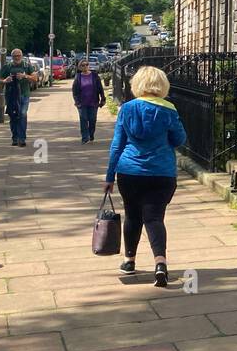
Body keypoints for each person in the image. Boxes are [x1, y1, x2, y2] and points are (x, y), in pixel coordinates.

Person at [104, 65, 186, 287]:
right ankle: (160, 263)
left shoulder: (127, 109)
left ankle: (129, 260)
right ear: (161, 85)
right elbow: (180, 139)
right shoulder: (169, 109)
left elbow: (117, 145)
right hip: (161, 172)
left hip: (129, 171)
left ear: (137, 84)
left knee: (132, 216)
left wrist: (110, 176)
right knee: (154, 218)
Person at [1, 48, 38, 146]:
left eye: (19, 55)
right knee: (13, 116)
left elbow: (35, 78)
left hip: (24, 95)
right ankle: (15, 138)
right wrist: (5, 80)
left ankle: (22, 139)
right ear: (12, 57)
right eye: (15, 56)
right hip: (11, 96)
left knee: (22, 114)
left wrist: (25, 76)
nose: (17, 57)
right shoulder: (7, 67)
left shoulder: (27, 66)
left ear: (21, 56)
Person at [71, 58, 106, 143]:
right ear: (80, 67)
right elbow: (74, 90)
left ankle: (91, 135)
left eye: (87, 64)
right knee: (83, 120)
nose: (85, 66)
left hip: (93, 102)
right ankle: (85, 137)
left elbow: (100, 88)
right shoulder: (78, 77)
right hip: (82, 103)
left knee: (92, 119)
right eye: (83, 65)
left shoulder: (94, 75)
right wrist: (77, 102)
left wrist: (103, 99)